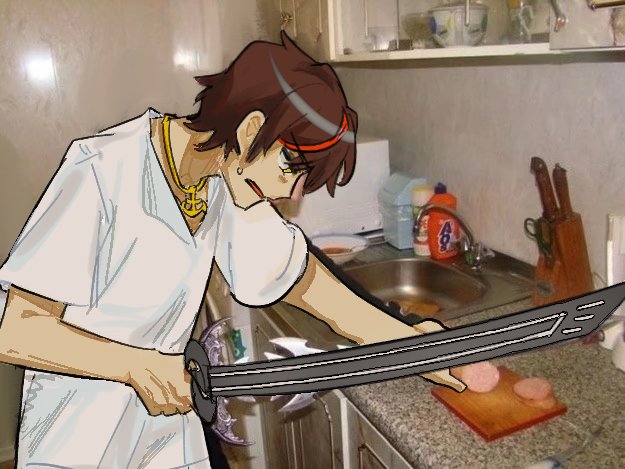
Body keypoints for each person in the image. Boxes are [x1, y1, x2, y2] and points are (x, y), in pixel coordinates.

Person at [0, 32, 464, 468]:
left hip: (163, 438)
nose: (291, 195)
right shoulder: (101, 170)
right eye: (292, 166)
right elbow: (18, 332)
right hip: (78, 441)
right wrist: (134, 366)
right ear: (251, 128)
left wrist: (411, 344)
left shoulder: (224, 184)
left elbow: (314, 290)